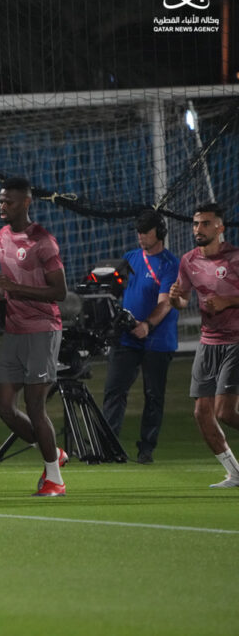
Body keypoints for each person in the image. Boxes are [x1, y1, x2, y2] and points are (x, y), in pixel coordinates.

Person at [0, 177, 69, 497]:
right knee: (3, 406)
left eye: (9, 201)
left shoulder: (43, 242)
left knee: (35, 406)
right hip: (14, 330)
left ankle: (55, 480)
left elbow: (59, 292)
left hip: (42, 330)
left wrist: (14, 288)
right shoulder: (3, 235)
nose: (3, 205)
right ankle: (53, 453)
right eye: (1, 200)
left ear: (27, 203)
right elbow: (12, 283)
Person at [168, 202, 239, 488]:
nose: (199, 229)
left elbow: (226, 300)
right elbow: (183, 300)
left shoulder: (235, 258)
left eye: (206, 224)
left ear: (220, 228)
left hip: (236, 341)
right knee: (202, 413)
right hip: (208, 343)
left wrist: (228, 301)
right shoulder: (188, 261)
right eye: (196, 224)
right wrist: (175, 299)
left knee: (225, 412)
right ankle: (235, 473)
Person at [101, 210, 179, 464]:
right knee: (114, 390)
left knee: (153, 395)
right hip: (127, 337)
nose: (141, 236)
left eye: (146, 231)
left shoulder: (170, 264)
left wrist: (147, 324)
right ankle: (109, 446)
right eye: (139, 231)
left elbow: (165, 302)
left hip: (158, 340)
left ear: (160, 233)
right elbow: (114, 290)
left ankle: (147, 449)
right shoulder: (130, 258)